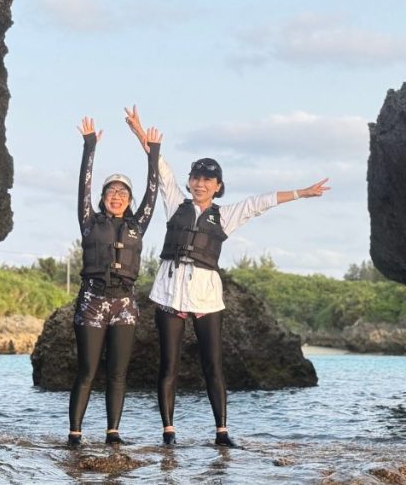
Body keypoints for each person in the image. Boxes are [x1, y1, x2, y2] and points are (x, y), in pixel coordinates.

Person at [124, 105, 330, 448]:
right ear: (190, 182)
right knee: (168, 366)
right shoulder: (175, 203)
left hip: (206, 297)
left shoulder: (226, 216)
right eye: (196, 178)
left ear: (218, 186)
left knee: (213, 365)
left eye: (208, 180)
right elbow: (160, 167)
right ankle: (169, 433)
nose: (200, 183)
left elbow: (261, 202)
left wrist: (302, 192)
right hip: (170, 293)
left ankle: (221, 432)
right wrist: (139, 131)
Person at [68, 115, 162, 447]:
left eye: (123, 192)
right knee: (87, 371)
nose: (117, 195)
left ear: (130, 200)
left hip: (125, 303)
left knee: (118, 374)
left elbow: (153, 191)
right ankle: (75, 434)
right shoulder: (89, 221)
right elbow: (83, 186)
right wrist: (89, 147)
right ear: (103, 197)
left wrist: (153, 154)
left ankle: (113, 433)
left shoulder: (138, 224)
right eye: (111, 191)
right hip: (92, 301)